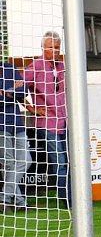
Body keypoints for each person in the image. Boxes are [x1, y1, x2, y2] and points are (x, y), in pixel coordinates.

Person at [23, 31, 69, 208]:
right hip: (47, 122)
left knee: (73, 161)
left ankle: (76, 198)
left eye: (57, 47)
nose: (55, 50)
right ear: (43, 48)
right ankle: (66, 201)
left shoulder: (62, 66)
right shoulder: (35, 67)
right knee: (60, 163)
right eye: (51, 47)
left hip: (66, 120)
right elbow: (17, 87)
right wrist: (33, 108)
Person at [1, 61, 30, 212]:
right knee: (9, 165)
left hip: (17, 123)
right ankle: (19, 203)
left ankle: (4, 198)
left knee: (26, 161)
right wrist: (13, 90)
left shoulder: (10, 67)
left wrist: (8, 92)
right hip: (1, 125)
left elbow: (24, 91)